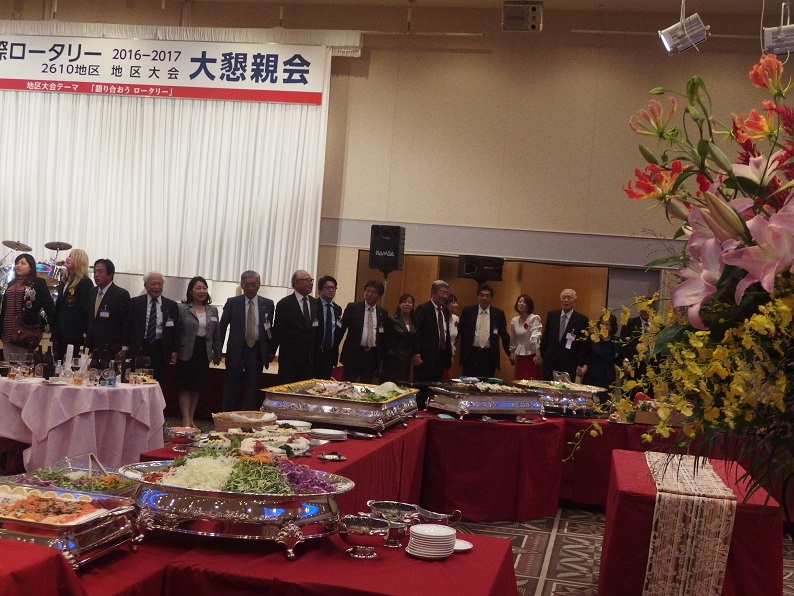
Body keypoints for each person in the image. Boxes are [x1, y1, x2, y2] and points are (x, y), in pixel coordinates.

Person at [219, 270, 275, 411]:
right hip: (237, 350)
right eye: (247, 284)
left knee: (252, 386)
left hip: (256, 350)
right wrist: (218, 350)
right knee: (231, 386)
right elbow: (222, 327)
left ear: (259, 285)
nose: (250, 288)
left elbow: (269, 329)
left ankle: (247, 417)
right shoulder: (233, 303)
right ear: (242, 285)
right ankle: (226, 416)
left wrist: (270, 351)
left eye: (253, 284)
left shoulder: (268, 304)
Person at [176, 276, 222, 428]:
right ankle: (185, 419)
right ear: (191, 291)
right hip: (186, 350)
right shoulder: (183, 309)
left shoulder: (212, 310)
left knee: (197, 387)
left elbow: (216, 333)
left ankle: (191, 418)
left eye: (204, 288)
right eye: (198, 288)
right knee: (185, 386)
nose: (202, 291)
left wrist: (217, 352)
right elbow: (177, 332)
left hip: (203, 351)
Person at [124, 271, 180, 384]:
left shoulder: (171, 305)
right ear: (145, 285)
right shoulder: (135, 303)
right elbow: (127, 325)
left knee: (158, 382)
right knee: (137, 381)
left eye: (160, 284)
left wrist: (174, 350)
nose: (157, 287)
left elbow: (175, 330)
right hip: (140, 347)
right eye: (153, 284)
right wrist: (125, 346)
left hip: (161, 349)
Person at [0, 254, 55, 362]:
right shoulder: (11, 283)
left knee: (23, 362)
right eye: (17, 263)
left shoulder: (38, 282)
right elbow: (4, 308)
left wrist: (54, 328)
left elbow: (49, 306)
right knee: (8, 362)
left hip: (25, 329)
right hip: (8, 329)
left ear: (30, 267)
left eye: (23, 263)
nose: (18, 265)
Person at [271, 270, 318, 384]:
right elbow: (278, 330)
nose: (311, 283)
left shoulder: (314, 303)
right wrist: (271, 351)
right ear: (296, 283)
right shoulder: (285, 304)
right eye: (307, 280)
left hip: (309, 360)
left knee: (305, 390)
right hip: (290, 359)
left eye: (311, 280)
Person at [339, 280, 388, 383]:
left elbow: (383, 336)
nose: (369, 294)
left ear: (379, 296)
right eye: (367, 290)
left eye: (373, 292)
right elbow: (341, 329)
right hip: (355, 353)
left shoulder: (382, 312)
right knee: (347, 383)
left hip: (371, 355)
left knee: (366, 384)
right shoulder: (353, 307)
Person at [458, 283, 511, 379]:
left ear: (491, 298)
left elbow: (504, 335)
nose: (484, 298)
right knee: (468, 383)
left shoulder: (498, 314)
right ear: (477, 297)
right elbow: (459, 330)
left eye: (487, 296)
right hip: (471, 354)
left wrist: (510, 353)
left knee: (486, 383)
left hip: (488, 355)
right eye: (482, 295)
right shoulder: (468, 311)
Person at [536, 288, 590, 382]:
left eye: (569, 298)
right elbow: (546, 337)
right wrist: (540, 354)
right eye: (563, 297)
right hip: (550, 362)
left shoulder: (581, 320)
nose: (566, 300)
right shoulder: (552, 315)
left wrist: (580, 364)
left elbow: (583, 345)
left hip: (568, 364)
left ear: (575, 301)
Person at [50, 248, 93, 361]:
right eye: (68, 256)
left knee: (69, 363)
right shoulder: (65, 280)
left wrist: (85, 333)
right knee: (56, 362)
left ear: (79, 261)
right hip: (59, 332)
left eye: (72, 257)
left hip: (73, 333)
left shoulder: (85, 282)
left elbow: (86, 310)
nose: (68, 258)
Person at [86, 259, 130, 362]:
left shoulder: (120, 294)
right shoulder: (92, 292)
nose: (96, 275)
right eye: (95, 272)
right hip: (93, 345)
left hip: (111, 347)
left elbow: (126, 322)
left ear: (110, 274)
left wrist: (125, 346)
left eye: (100, 272)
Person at [412, 280, 452, 383]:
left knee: (437, 387)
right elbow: (417, 333)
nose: (445, 296)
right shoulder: (423, 309)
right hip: (425, 357)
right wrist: (416, 353)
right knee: (423, 386)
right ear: (433, 293)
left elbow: (446, 333)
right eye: (442, 293)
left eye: (447, 294)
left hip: (440, 357)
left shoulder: (445, 311)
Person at [584, 314, 623, 401]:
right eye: (602, 323)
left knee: (605, 403)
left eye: (607, 324)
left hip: (608, 379)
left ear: (612, 327)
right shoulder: (592, 338)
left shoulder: (616, 341)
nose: (604, 326)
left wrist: (625, 363)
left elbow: (618, 359)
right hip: (592, 376)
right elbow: (584, 355)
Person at [381, 293, 417, 383]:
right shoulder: (392, 320)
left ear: (413, 306)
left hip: (407, 360)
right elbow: (385, 340)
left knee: (403, 385)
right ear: (399, 305)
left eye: (410, 302)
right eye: (404, 302)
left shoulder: (414, 323)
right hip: (393, 359)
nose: (407, 304)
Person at [313, 275, 343, 380]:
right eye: (328, 287)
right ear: (319, 290)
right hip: (315, 353)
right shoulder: (313, 306)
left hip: (329, 354)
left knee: (325, 383)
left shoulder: (337, 309)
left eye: (333, 288)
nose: (331, 290)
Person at [509, 293, 543, 380]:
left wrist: (538, 354)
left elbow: (535, 336)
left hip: (532, 354)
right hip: (520, 355)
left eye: (524, 302)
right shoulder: (514, 320)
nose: (521, 304)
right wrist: (512, 352)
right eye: (520, 301)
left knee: (531, 379)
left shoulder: (534, 318)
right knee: (520, 379)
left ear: (529, 305)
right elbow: (513, 338)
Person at [443, 294, 460, 380]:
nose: (456, 305)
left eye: (456, 302)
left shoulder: (456, 319)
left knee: (445, 378)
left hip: (449, 354)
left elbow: (455, 337)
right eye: (453, 302)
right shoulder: (441, 318)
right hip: (440, 353)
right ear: (446, 305)